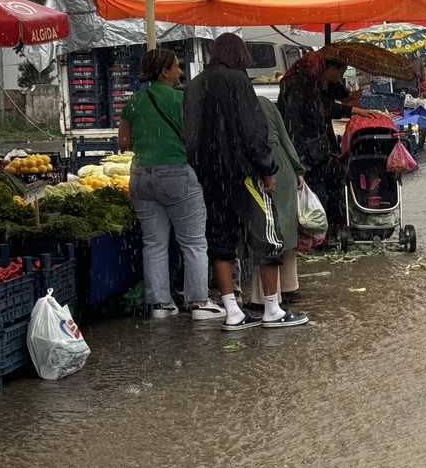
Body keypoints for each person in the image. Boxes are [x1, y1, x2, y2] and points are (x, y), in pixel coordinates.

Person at [184, 33, 307, 330]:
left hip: (211, 180)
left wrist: (203, 169)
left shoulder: (194, 85)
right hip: (245, 176)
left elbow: (189, 135)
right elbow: (254, 131)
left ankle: (233, 312)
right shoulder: (239, 82)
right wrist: (267, 169)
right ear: (239, 54)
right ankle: (273, 310)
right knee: (267, 238)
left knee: (221, 242)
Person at [118, 49, 223, 321]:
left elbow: (124, 144)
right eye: (176, 67)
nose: (180, 72)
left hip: (141, 176)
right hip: (176, 174)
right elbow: (196, 138)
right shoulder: (183, 99)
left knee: (153, 244)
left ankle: (160, 305)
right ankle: (198, 302)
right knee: (194, 243)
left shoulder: (133, 102)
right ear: (164, 72)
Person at [278, 52, 381, 241]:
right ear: (329, 68)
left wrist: (351, 106)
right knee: (314, 192)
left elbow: (325, 105)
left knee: (319, 190)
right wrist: (297, 155)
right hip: (306, 150)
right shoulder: (301, 83)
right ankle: (315, 237)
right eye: (339, 73)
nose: (340, 78)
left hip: (311, 148)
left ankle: (317, 234)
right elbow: (308, 114)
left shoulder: (311, 81)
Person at [246, 94, 305, 311]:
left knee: (266, 232)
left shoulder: (239, 105)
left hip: (262, 169)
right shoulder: (264, 102)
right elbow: (284, 136)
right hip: (283, 167)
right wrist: (297, 168)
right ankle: (289, 286)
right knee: (286, 228)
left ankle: (264, 297)